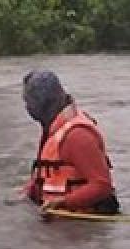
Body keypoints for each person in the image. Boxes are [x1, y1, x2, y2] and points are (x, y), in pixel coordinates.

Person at [21, 70, 120, 214]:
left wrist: (64, 202)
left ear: (43, 103)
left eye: (28, 102)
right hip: (60, 220)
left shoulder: (77, 136)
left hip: (84, 222)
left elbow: (102, 185)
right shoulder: (53, 129)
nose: (27, 108)